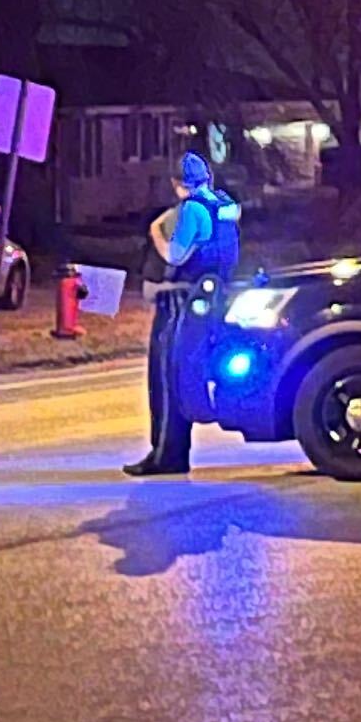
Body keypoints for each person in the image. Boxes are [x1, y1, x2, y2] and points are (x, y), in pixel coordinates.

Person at [126, 147, 242, 476]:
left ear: (179, 183)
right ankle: (175, 453)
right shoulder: (225, 206)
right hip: (213, 300)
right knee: (185, 376)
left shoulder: (192, 209)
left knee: (165, 377)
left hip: (181, 303)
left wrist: (155, 233)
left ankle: (165, 455)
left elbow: (175, 255)